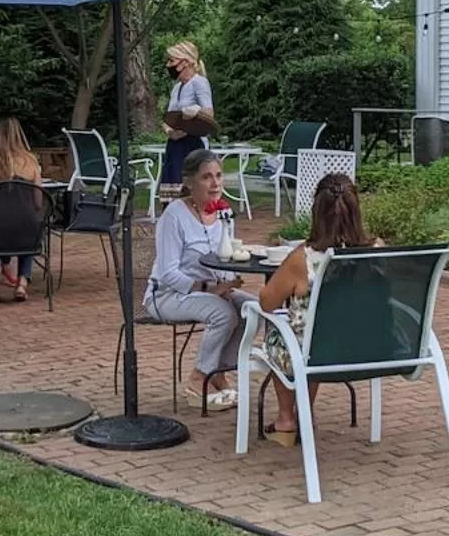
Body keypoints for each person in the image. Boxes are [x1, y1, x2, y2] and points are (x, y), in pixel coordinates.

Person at [256, 172, 380, 446]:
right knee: (313, 338)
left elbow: (266, 302)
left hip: (316, 353)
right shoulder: (377, 251)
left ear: (317, 212)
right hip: (368, 350)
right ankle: (305, 413)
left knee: (284, 337)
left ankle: (287, 419)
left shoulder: (303, 259)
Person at [145, 148, 251, 410]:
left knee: (253, 310)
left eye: (218, 175)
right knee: (224, 314)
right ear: (189, 183)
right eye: (206, 177)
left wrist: (228, 281)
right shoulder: (174, 216)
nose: (215, 183)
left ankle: (218, 371)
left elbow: (224, 255)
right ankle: (198, 377)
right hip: (167, 295)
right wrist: (209, 288)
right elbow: (168, 273)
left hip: (210, 291)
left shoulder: (222, 213)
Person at [0, 118, 43, 302]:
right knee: (29, 223)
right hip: (24, 231)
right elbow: (38, 201)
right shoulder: (30, 160)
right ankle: (22, 282)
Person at [160, 41, 214, 195]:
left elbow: (208, 114)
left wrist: (190, 121)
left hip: (192, 145)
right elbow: (169, 116)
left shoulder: (199, 83)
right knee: (170, 191)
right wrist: (170, 131)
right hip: (174, 144)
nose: (168, 65)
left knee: (189, 191)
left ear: (185, 62)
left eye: (172, 61)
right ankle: (170, 216)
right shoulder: (177, 87)